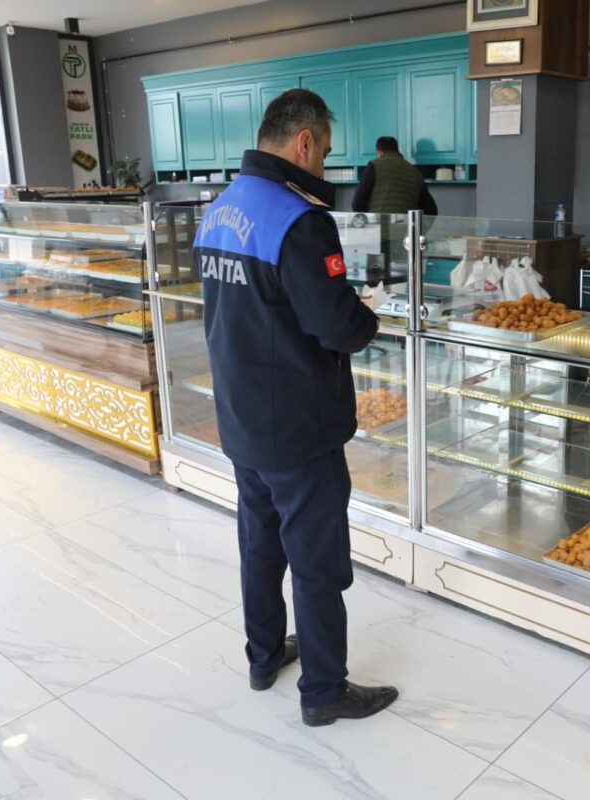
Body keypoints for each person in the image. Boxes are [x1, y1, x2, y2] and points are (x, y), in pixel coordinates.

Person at [195, 88, 398, 727]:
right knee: (317, 562)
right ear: (304, 142)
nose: (325, 164)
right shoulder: (299, 219)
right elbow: (336, 327)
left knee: (260, 543)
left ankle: (262, 658)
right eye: (326, 151)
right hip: (299, 426)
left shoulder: (219, 210)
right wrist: (368, 316)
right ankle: (324, 691)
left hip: (240, 417)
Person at [351, 136, 438, 215]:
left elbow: (357, 203)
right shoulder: (416, 172)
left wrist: (368, 219)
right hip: (407, 226)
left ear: (380, 152)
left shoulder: (374, 166)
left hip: (379, 225)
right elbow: (431, 210)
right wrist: (421, 226)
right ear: (397, 150)